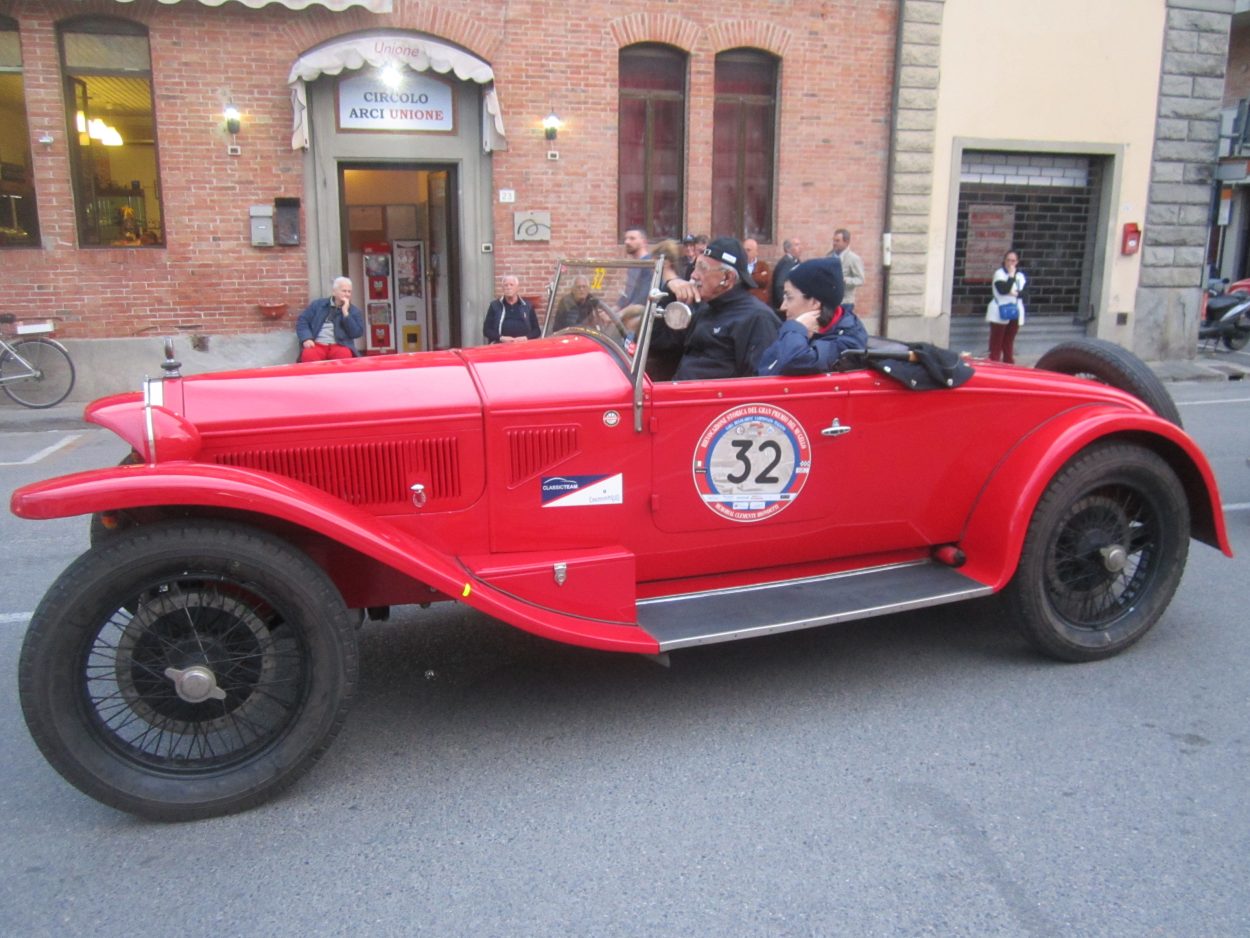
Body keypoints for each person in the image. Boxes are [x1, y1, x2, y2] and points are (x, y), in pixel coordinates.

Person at [660, 236, 780, 380]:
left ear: (727, 278)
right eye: (695, 266)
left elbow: (760, 385)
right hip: (680, 395)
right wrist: (670, 292)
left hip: (711, 400)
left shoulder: (758, 319)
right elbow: (660, 344)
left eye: (703, 268)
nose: (693, 275)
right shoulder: (704, 308)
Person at [757, 256, 867, 376]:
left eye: (789, 297)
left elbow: (794, 362)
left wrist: (797, 328)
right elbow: (763, 370)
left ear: (815, 302)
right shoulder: (797, 331)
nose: (783, 307)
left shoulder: (846, 342)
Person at [296, 276, 364, 361]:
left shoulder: (354, 311)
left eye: (349, 292)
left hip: (340, 345)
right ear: (334, 292)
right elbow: (302, 321)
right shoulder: (318, 305)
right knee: (308, 355)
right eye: (344, 291)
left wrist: (346, 313)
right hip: (317, 344)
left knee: (344, 357)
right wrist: (306, 338)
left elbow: (356, 333)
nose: (347, 294)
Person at [986, 249, 1026, 363]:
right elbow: (1003, 290)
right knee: (996, 341)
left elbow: (1024, 293)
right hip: (999, 310)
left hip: (1015, 310)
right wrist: (1011, 275)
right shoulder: (999, 274)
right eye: (1008, 260)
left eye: (1013, 261)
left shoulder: (1021, 276)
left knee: (1009, 341)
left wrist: (1015, 292)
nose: (1010, 263)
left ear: (1017, 262)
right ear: (1004, 261)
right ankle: (994, 363)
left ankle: (1008, 363)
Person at [483, 274, 540, 344]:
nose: (508, 287)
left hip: (523, 345)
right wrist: (501, 338)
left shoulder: (527, 306)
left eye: (511, 285)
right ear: (502, 288)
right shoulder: (494, 306)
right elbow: (486, 330)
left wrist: (526, 338)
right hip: (500, 344)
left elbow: (537, 331)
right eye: (506, 285)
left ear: (517, 288)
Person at [829, 228, 864, 318]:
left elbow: (860, 280)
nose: (834, 243)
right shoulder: (829, 255)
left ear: (846, 242)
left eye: (837, 241)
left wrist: (845, 280)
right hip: (830, 301)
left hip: (845, 302)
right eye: (833, 240)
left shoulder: (853, 258)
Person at [618, 227, 652, 309]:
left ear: (644, 242)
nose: (627, 242)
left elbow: (642, 299)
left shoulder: (648, 264)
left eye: (632, 238)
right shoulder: (633, 265)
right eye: (625, 239)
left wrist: (620, 315)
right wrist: (613, 309)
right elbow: (627, 295)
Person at [771, 237, 802, 311]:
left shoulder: (795, 261)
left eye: (800, 244)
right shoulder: (787, 262)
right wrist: (784, 304)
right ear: (788, 249)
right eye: (797, 245)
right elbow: (779, 285)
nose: (800, 247)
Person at [743, 238, 772, 307]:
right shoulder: (739, 265)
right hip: (743, 303)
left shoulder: (763, 266)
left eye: (748, 250)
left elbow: (765, 281)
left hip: (758, 303)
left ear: (756, 252)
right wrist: (757, 276)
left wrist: (747, 278)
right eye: (743, 250)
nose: (745, 253)